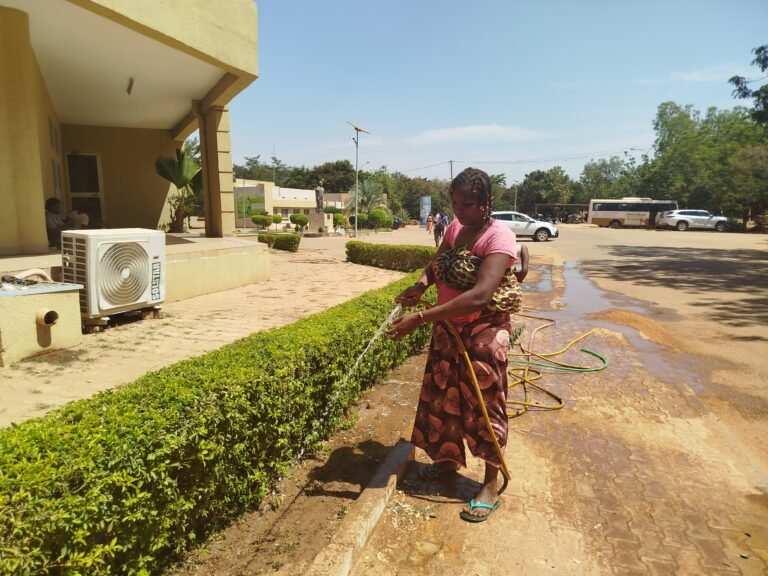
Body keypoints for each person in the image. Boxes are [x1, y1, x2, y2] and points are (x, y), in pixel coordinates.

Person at [387, 167, 521, 523]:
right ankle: (446, 463)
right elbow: (437, 264)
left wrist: (420, 317)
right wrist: (419, 285)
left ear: (487, 202)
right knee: (441, 395)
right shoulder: (455, 228)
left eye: (470, 204)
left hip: (484, 331)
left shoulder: (499, 238)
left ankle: (490, 484)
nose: (461, 211)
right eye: (456, 203)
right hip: (448, 327)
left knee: (485, 403)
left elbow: (479, 296)